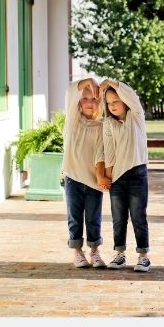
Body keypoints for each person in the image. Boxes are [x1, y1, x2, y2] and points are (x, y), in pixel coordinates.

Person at [96, 79, 151, 271]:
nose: (112, 106)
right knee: (118, 218)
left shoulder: (136, 116)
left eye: (115, 102)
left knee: (138, 216)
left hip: (138, 174)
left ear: (125, 102)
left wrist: (110, 82)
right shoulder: (109, 123)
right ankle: (119, 255)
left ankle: (143, 256)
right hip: (118, 178)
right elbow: (109, 150)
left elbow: (132, 95)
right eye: (109, 103)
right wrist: (108, 175)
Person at [61, 77, 107, 268]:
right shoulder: (72, 120)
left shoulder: (102, 127)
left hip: (93, 181)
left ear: (100, 104)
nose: (90, 103)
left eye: (94, 99)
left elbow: (100, 154)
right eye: (85, 99)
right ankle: (78, 252)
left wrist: (100, 177)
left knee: (94, 218)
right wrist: (90, 81)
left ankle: (95, 252)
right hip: (73, 177)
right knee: (75, 217)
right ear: (79, 102)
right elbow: (71, 90)